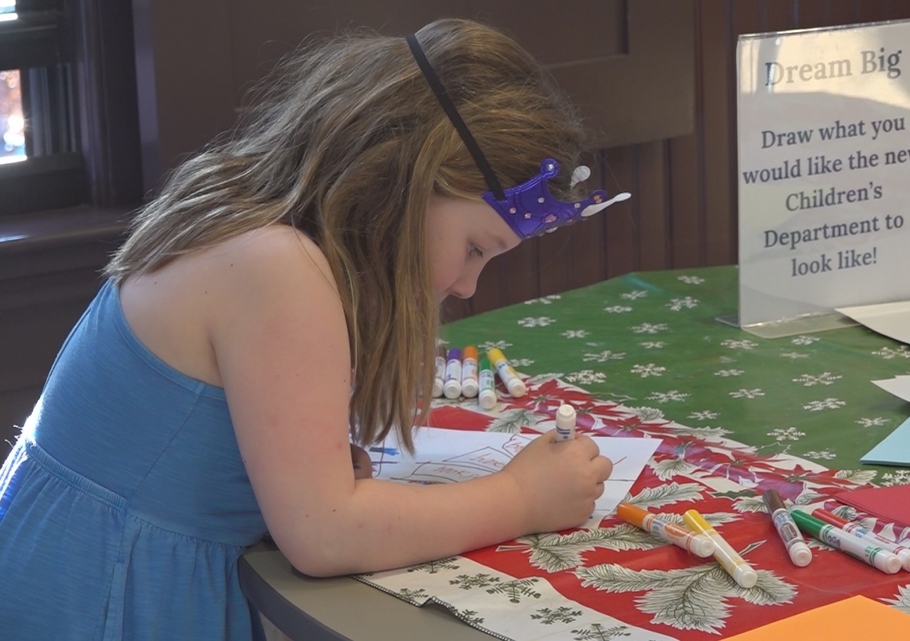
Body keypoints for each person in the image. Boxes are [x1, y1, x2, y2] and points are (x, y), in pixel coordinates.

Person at [0, 18, 626, 640]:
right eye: (474, 247)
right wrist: (521, 497)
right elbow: (325, 535)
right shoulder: (279, 268)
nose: (467, 285)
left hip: (70, 558)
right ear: (408, 185)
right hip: (110, 594)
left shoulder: (244, 209)